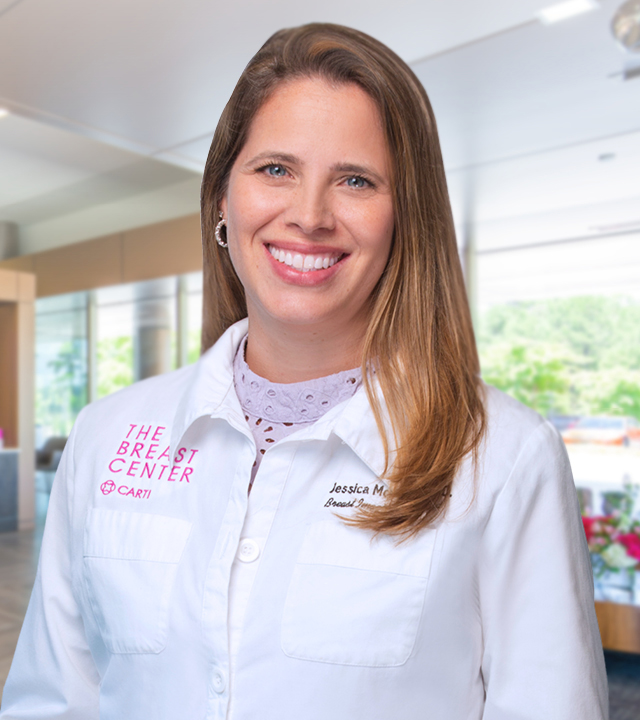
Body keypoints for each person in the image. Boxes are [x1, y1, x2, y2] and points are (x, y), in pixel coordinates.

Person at [1, 22, 607, 720]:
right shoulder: (107, 434)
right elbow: (51, 701)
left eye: (355, 180)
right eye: (275, 170)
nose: (310, 215)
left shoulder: (503, 456)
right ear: (221, 199)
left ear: (406, 219)